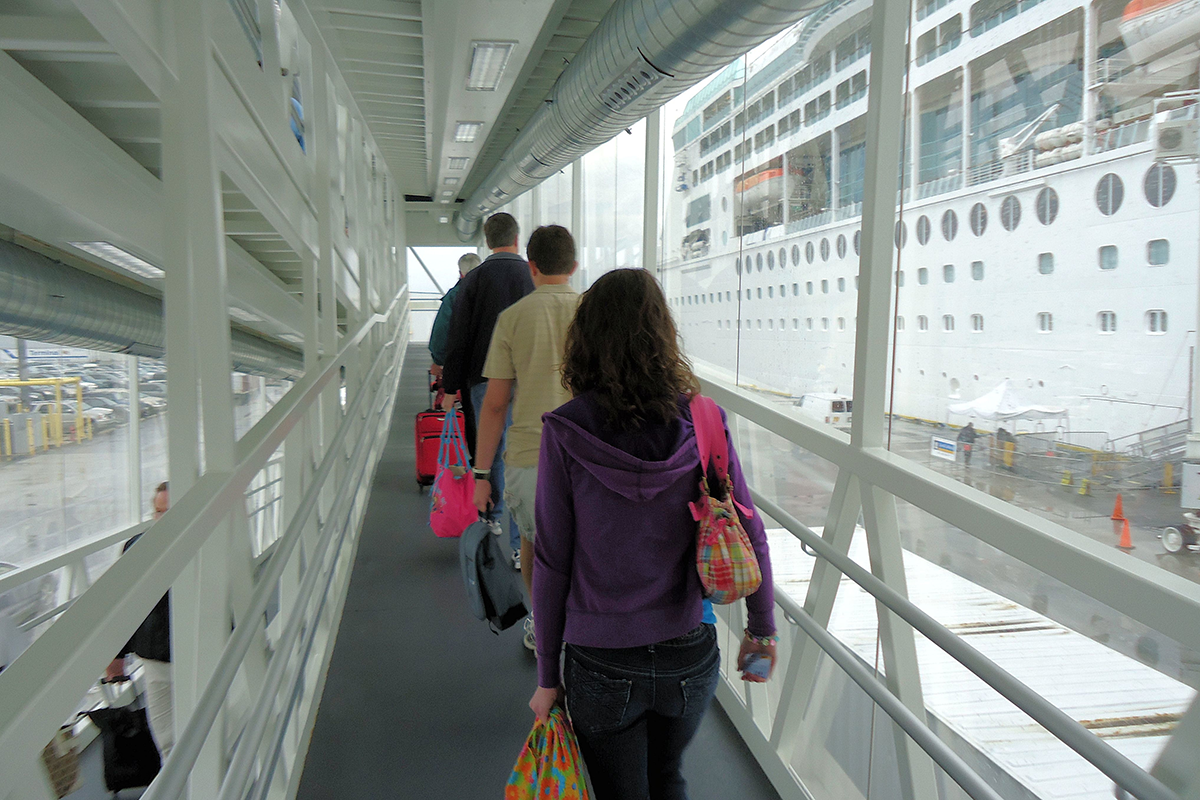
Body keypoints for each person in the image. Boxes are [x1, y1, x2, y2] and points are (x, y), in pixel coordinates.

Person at [530, 269, 777, 799]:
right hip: (689, 652)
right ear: (663, 334)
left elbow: (552, 561)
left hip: (600, 658)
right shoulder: (704, 420)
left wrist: (547, 675)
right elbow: (748, 528)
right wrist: (761, 630)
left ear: (585, 340)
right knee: (668, 779)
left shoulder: (566, 431)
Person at [472, 225, 579, 651]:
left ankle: (541, 623)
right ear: (574, 266)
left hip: (529, 455)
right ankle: (583, 626)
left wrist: (483, 474)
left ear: (531, 267)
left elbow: (495, 404)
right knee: (585, 545)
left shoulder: (512, 319)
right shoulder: (594, 312)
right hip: (588, 455)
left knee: (534, 545)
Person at [441, 212, 534, 566]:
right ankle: (518, 544)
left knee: (490, 449)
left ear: (487, 239)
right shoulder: (532, 275)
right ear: (516, 237)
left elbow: (458, 337)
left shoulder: (474, 280)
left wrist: (451, 387)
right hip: (526, 380)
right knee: (520, 454)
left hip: (483, 377)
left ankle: (490, 518)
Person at [106, 482, 174, 758]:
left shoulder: (207, 545)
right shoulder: (136, 548)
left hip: (198, 653)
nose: (162, 519)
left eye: (170, 511)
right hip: (155, 656)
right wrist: (116, 656)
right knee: (165, 737)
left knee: (202, 727)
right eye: (159, 512)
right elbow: (123, 604)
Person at [429, 252, 482, 452]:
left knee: (472, 413)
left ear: (460, 273)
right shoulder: (491, 292)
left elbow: (442, 332)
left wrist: (439, 360)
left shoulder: (454, 296)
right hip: (496, 364)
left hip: (467, 368)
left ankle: (478, 463)